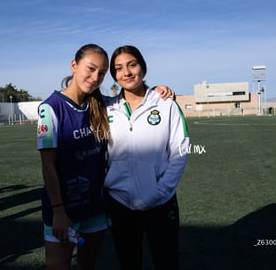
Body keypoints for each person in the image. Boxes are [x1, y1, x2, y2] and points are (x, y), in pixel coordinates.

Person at [37, 44, 174, 270]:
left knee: (87, 266)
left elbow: (133, 96)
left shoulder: (99, 104)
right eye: (90, 69)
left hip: (95, 208)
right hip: (64, 210)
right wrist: (59, 212)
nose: (95, 77)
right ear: (74, 65)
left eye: (101, 73)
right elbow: (48, 165)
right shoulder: (51, 108)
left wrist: (157, 90)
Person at [103, 45, 190, 270]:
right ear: (114, 75)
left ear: (143, 67)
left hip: (160, 201)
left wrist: (161, 192)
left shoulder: (166, 104)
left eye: (132, 64)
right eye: (119, 68)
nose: (127, 72)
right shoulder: (106, 108)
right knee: (128, 263)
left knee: (166, 262)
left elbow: (180, 150)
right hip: (120, 201)